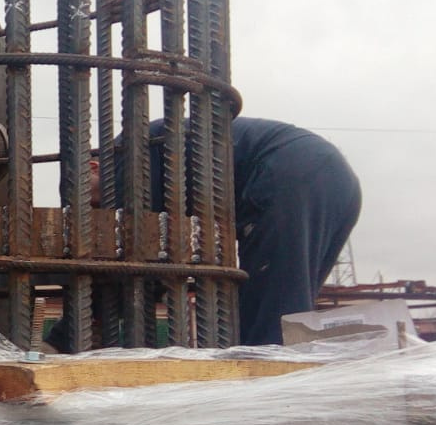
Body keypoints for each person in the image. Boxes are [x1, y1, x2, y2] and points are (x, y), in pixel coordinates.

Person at [139, 117, 361, 345]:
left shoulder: (129, 154)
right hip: (339, 183)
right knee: (291, 310)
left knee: (271, 321)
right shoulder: (154, 140)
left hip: (292, 171)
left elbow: (142, 247)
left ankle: (267, 367)